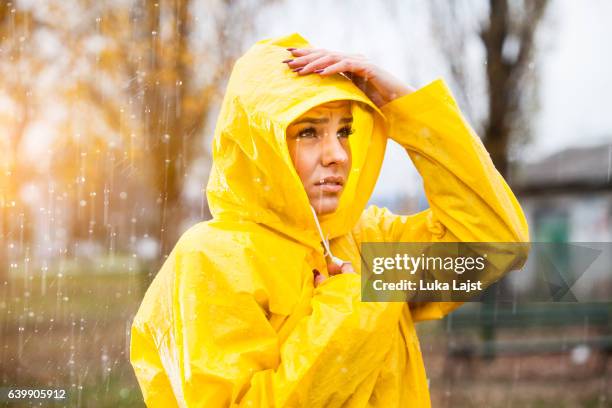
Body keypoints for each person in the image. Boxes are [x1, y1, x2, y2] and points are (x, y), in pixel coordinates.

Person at [130, 33, 529, 407]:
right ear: (258, 145)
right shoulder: (210, 259)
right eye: (308, 132)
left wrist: (407, 109)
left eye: (345, 131)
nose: (337, 154)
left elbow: (494, 246)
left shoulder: (368, 238)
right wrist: (351, 305)